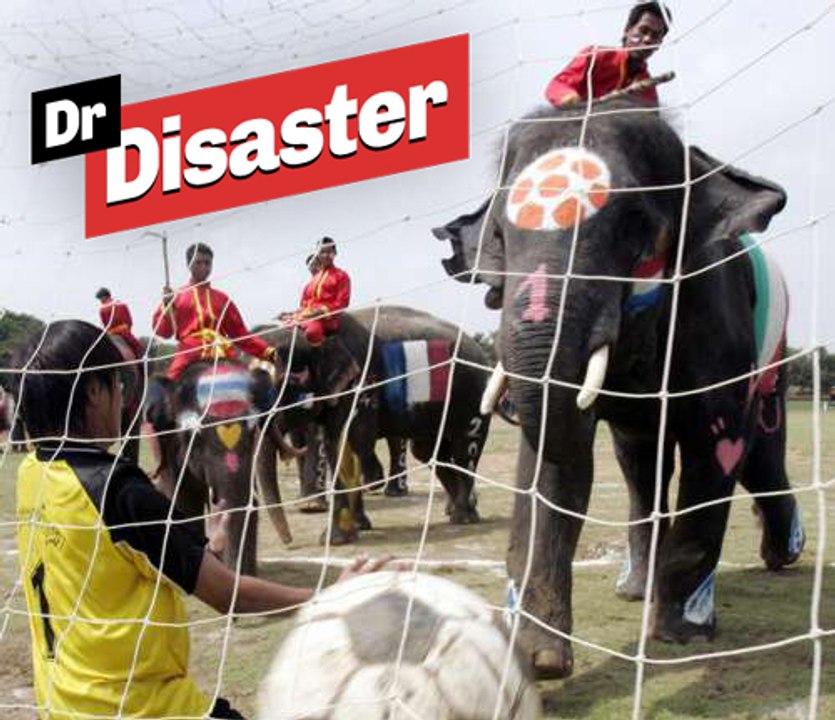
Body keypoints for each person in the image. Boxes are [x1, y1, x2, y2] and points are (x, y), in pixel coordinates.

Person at [13, 320, 387, 719]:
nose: (123, 398)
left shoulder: (31, 475)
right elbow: (230, 597)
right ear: (92, 392)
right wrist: (328, 596)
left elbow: (111, 560)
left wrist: (209, 547)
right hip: (139, 709)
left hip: (61, 706)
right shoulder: (119, 490)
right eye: (117, 385)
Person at [152, 243, 276, 380]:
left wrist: (268, 352)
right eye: (198, 262)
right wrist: (167, 306)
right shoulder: (175, 296)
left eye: (207, 263)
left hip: (221, 351)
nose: (204, 267)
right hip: (189, 353)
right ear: (189, 265)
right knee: (167, 387)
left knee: (247, 384)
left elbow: (241, 335)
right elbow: (164, 332)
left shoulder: (222, 298)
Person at [545, 2, 671, 108]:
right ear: (627, 30)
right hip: (573, 129)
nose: (648, 39)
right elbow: (557, 86)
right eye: (643, 31)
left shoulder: (648, 89)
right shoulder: (596, 56)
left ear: (660, 43)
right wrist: (572, 101)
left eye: (655, 36)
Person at [282, 237, 358, 399]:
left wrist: (320, 312)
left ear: (335, 253)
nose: (326, 255)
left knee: (312, 332)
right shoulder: (312, 281)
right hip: (308, 316)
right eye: (323, 252)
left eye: (329, 252)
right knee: (284, 330)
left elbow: (342, 302)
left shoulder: (341, 276)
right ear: (318, 254)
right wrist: (293, 315)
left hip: (326, 319)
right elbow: (304, 304)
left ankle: (320, 369)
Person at [95, 287, 144, 359]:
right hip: (119, 331)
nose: (100, 301)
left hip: (116, 332)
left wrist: (109, 331)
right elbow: (129, 321)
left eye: (101, 298)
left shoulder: (105, 309)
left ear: (106, 296)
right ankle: (141, 357)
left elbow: (106, 324)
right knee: (137, 346)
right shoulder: (120, 305)